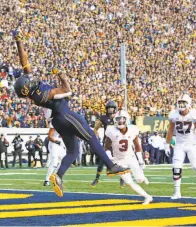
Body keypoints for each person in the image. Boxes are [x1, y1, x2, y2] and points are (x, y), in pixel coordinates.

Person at [13, 32, 130, 197]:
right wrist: (62, 75)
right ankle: (111, 166)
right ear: (28, 86)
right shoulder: (42, 95)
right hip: (65, 114)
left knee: (73, 151)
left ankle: (58, 176)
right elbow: (67, 90)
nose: (30, 78)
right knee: (91, 136)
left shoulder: (33, 93)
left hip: (58, 121)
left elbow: (23, 60)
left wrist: (19, 42)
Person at [165, 93, 196, 199]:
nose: (181, 105)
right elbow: (171, 130)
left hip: (191, 144)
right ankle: (177, 192)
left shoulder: (194, 114)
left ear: (188, 104)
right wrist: (167, 144)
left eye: (183, 103)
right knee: (176, 167)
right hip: (179, 144)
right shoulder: (174, 114)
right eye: (179, 103)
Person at [105, 110, 152, 204]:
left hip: (131, 157)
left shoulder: (133, 129)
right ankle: (147, 197)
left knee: (139, 179)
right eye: (118, 119)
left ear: (127, 119)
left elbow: (138, 146)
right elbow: (106, 147)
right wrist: (110, 157)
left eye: (122, 118)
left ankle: (142, 177)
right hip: (119, 161)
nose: (120, 121)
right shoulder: (111, 130)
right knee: (129, 182)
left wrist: (141, 160)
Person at [91, 101, 124, 188]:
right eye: (108, 108)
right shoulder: (103, 117)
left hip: (117, 142)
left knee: (120, 160)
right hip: (107, 142)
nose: (110, 110)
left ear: (115, 109)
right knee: (102, 160)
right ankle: (97, 178)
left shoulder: (118, 117)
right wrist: (96, 135)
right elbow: (95, 128)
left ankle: (122, 179)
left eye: (111, 108)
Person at [44, 122, 66, 186]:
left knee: (64, 161)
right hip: (54, 144)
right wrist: (57, 141)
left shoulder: (65, 123)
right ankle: (46, 180)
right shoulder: (55, 122)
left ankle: (56, 177)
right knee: (54, 163)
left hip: (60, 144)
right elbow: (50, 136)